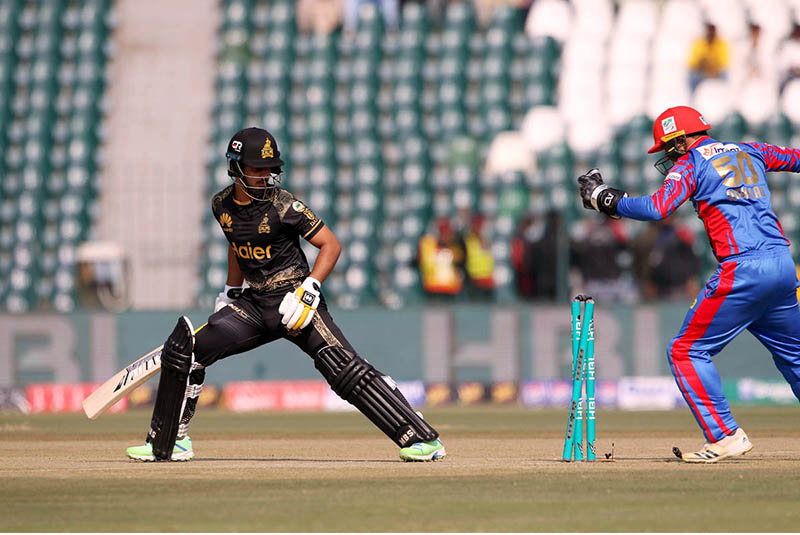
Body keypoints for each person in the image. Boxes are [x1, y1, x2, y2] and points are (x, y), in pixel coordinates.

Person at [126, 127, 446, 462]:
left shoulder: (285, 205)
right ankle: (170, 439)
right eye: (257, 169)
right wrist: (231, 290)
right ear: (235, 168)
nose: (265, 177)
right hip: (253, 304)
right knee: (189, 352)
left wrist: (310, 288)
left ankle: (420, 437)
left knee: (342, 368)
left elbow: (331, 245)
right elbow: (236, 245)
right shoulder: (221, 204)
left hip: (295, 300)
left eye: (270, 170)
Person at [577, 105, 800, 463]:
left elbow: (657, 208)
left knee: (685, 350)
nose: (667, 156)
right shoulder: (750, 150)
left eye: (668, 148)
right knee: (796, 357)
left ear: (680, 141)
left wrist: (604, 197)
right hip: (782, 266)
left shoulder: (691, 162)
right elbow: (795, 158)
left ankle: (725, 435)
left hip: (743, 271)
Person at [687, 22, 730, 93]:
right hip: (701, 72)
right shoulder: (699, 43)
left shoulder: (722, 43)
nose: (711, 33)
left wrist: (713, 68)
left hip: (716, 72)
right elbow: (693, 62)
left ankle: (726, 97)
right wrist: (704, 66)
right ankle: (692, 99)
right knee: (691, 76)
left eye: (712, 31)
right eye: (709, 31)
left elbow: (724, 62)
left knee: (725, 75)